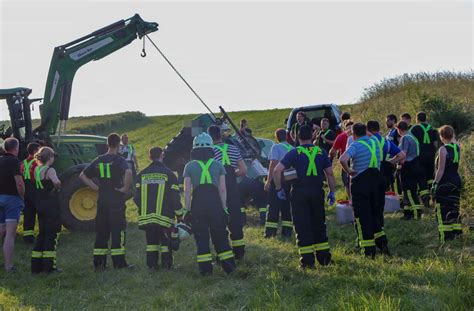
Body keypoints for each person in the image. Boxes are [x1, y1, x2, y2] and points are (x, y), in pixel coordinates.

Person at [273, 125, 336, 268]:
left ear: (296, 137)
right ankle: (324, 259)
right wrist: (332, 191)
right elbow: (330, 173)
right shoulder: (321, 151)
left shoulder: (294, 153)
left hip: (299, 193)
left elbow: (277, 170)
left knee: (302, 226)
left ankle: (307, 261)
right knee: (319, 224)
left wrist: (278, 188)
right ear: (312, 136)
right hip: (317, 192)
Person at [183, 133, 236, 276]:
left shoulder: (189, 166)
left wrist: (186, 210)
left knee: (201, 237)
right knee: (220, 236)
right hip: (215, 205)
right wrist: (224, 208)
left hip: (198, 205)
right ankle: (229, 268)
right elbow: (223, 189)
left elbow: (187, 191)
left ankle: (205, 271)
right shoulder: (218, 165)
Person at [80, 133, 133, 270]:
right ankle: (119, 263)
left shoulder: (98, 159)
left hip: (102, 199)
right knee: (118, 231)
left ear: (107, 144)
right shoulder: (119, 160)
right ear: (118, 145)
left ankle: (99, 263)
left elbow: (82, 175)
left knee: (102, 232)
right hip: (116, 199)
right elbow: (128, 173)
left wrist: (95, 187)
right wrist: (125, 189)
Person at [340, 123, 389, 258]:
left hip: (362, 182)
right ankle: (382, 242)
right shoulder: (375, 142)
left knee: (363, 217)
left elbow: (342, 159)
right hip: (378, 180)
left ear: (354, 134)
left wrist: (349, 171)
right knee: (376, 214)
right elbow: (371, 136)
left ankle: (368, 251)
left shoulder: (355, 145)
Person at [133, 147, 183, 270]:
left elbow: (136, 197)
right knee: (165, 243)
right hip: (164, 217)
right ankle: (166, 265)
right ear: (162, 155)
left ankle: (152, 266)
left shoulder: (141, 175)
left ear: (150, 157)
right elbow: (175, 198)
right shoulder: (170, 174)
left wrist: (144, 208)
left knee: (151, 243)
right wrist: (179, 214)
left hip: (147, 217)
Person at [208, 125, 247, 259]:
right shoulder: (233, 148)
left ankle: (223, 253)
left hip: (217, 191)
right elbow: (243, 170)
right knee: (235, 222)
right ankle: (239, 252)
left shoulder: (209, 152)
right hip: (233, 191)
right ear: (221, 134)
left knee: (219, 223)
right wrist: (233, 174)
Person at [31, 147, 62, 273]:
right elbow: (56, 182)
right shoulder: (50, 170)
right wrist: (56, 189)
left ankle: (36, 266)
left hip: (40, 204)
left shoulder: (37, 169)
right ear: (50, 158)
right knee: (52, 235)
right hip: (50, 205)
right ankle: (49, 266)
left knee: (41, 234)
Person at [432, 125, 463, 243]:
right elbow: (454, 140)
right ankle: (456, 233)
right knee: (454, 206)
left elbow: (441, 169)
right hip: (456, 179)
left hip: (445, 182)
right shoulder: (457, 147)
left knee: (442, 208)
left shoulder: (442, 150)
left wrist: (435, 183)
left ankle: (445, 236)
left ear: (441, 136)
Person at [263, 128, 294, 238]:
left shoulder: (276, 147)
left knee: (273, 207)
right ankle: (287, 232)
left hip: (278, 179)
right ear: (286, 136)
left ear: (276, 137)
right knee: (286, 207)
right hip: (290, 180)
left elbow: (273, 165)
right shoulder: (292, 148)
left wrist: (268, 181)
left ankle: (270, 233)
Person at [0, 138, 25, 272]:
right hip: (11, 199)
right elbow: (19, 183)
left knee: (0, 230)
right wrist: (22, 196)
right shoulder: (14, 161)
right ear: (15, 148)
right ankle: (8, 265)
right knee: (9, 234)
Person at [366, 121, 405, 191]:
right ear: (378, 129)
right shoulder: (386, 142)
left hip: (369, 172)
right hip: (383, 171)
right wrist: (389, 163)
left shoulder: (366, 141)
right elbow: (402, 155)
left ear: (368, 130)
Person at [410, 112, 438, 206]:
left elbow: (411, 141)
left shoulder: (414, 128)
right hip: (431, 155)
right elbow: (435, 144)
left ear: (417, 119)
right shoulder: (432, 128)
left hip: (420, 155)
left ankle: (425, 199)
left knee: (421, 176)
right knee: (430, 176)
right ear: (426, 119)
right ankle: (433, 196)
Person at [396, 121, 423, 220]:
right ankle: (408, 212)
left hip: (408, 167)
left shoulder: (405, 138)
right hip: (415, 165)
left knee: (408, 191)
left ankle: (416, 214)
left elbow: (403, 154)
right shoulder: (412, 136)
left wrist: (392, 162)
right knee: (412, 190)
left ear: (398, 129)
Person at [21, 142, 40, 244]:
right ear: (35, 151)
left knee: (28, 214)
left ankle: (28, 236)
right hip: (35, 189)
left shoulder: (22, 163)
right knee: (41, 213)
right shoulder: (37, 162)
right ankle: (43, 234)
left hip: (25, 190)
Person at [330, 120, 354, 199]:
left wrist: (331, 156)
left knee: (347, 182)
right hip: (358, 160)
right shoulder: (361, 135)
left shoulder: (341, 136)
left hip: (346, 161)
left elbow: (332, 151)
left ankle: (351, 199)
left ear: (344, 128)